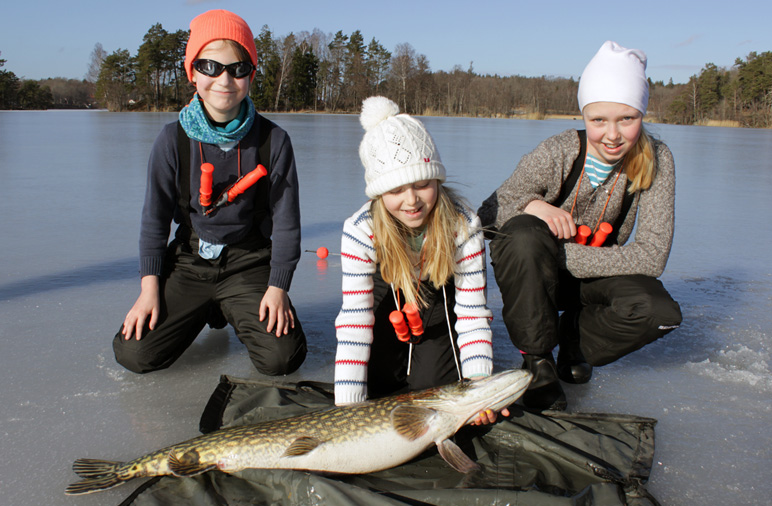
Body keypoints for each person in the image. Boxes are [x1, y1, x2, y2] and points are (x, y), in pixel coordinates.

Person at [478, 41, 682, 411]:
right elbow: (487, 216)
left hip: (590, 276)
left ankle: (572, 342)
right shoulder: (557, 152)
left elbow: (651, 258)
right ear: (584, 116)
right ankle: (537, 362)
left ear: (642, 114)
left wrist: (556, 255)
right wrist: (533, 205)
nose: (612, 134)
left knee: (658, 312)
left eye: (627, 119)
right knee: (523, 235)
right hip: (533, 281)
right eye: (598, 120)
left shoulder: (658, 160)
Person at [113, 9, 307, 376]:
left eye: (237, 68)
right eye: (210, 66)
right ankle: (203, 306)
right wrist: (149, 288)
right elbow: (154, 220)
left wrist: (278, 287)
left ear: (250, 74)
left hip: (249, 263)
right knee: (135, 354)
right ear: (192, 72)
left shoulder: (274, 141)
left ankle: (227, 305)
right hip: (191, 261)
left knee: (282, 358)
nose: (224, 79)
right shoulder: (172, 140)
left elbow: (286, 224)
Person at [334, 96, 503, 425]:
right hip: (389, 291)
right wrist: (347, 414)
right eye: (396, 190)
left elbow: (472, 317)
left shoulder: (464, 225)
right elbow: (354, 322)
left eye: (422, 185)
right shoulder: (359, 231)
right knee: (377, 387)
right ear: (379, 193)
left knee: (432, 392)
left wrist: (479, 390)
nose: (411, 201)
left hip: (439, 291)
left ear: (436, 180)